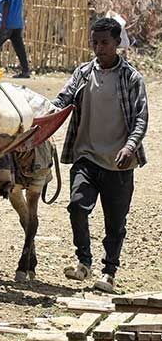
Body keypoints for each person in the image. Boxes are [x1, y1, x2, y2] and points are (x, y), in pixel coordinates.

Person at [54, 17, 148, 293]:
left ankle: (109, 271)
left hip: (119, 164)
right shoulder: (83, 73)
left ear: (118, 43)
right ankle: (83, 262)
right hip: (86, 156)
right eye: (95, 42)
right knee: (77, 206)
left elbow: (141, 119)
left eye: (105, 43)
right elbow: (62, 101)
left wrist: (129, 146)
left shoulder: (131, 78)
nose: (99, 48)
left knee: (115, 223)